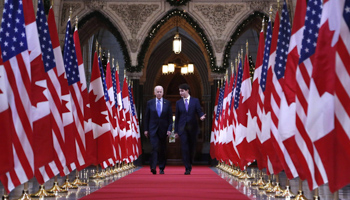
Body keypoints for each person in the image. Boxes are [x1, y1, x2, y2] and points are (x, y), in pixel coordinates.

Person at [174, 83, 206, 175]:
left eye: (182, 91)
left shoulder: (195, 101)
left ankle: (190, 163)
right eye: (179, 91)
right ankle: (187, 167)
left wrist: (201, 117)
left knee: (192, 148)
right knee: (184, 148)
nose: (180, 93)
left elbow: (199, 111)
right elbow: (177, 118)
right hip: (182, 128)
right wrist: (176, 131)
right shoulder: (178, 103)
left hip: (193, 128)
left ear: (187, 91)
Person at [144, 85, 173, 175]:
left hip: (163, 130)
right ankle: (153, 167)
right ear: (154, 93)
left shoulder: (167, 103)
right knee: (154, 147)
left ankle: (161, 167)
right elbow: (146, 117)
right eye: (157, 92)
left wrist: (169, 129)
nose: (159, 93)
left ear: (163, 93)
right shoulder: (150, 103)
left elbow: (170, 119)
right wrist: (146, 129)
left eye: (160, 92)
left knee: (162, 149)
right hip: (153, 130)